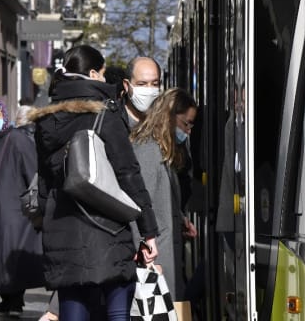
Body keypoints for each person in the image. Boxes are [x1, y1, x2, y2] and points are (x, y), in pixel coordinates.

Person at [29, 45, 159, 320]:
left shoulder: (46, 119)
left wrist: (45, 221)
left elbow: (43, 182)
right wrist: (148, 231)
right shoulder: (105, 114)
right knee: (117, 313)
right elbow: (128, 174)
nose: (104, 78)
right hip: (107, 231)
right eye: (101, 73)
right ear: (92, 74)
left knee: (73, 313)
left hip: (62, 230)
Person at [0, 99, 44, 317]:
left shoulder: (16, 139)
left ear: (5, 117)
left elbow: (31, 170)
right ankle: (7, 298)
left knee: (11, 254)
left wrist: (33, 201)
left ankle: (14, 299)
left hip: (15, 209)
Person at [129, 87, 198, 303]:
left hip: (161, 252)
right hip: (155, 257)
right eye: (186, 123)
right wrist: (145, 252)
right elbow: (139, 204)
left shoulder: (160, 150)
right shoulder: (149, 150)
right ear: (168, 116)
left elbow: (158, 199)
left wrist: (179, 219)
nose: (188, 131)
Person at [121, 57, 161, 130]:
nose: (149, 90)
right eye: (141, 84)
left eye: (155, 84)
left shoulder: (165, 123)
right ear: (126, 85)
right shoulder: (110, 121)